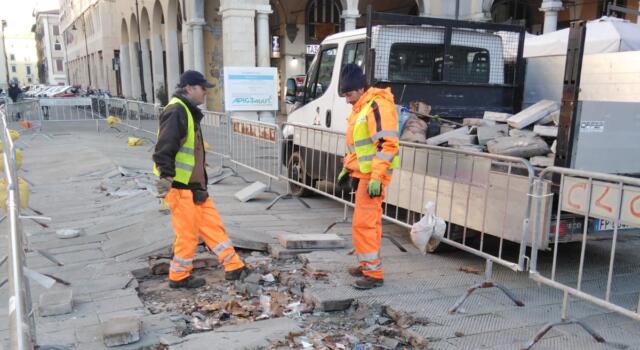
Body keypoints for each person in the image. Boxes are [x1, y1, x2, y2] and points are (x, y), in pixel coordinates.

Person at [153, 70, 247, 289]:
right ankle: (179, 277)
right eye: (202, 88)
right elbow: (164, 148)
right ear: (189, 88)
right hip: (180, 186)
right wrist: (166, 176)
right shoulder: (177, 111)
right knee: (187, 235)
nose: (205, 92)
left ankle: (234, 266)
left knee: (214, 227)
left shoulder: (186, 110)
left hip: (195, 186)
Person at [336, 64, 400, 290]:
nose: (347, 99)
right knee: (368, 224)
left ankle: (373, 273)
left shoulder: (376, 106)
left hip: (373, 176)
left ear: (361, 89)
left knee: (364, 224)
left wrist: (376, 177)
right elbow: (359, 148)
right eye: (344, 95)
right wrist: (347, 169)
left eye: (349, 94)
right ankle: (367, 265)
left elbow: (387, 144)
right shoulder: (362, 107)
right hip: (365, 174)